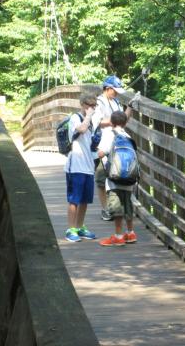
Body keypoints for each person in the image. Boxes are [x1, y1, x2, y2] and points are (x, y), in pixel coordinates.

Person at [92, 75, 134, 221]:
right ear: (107, 88)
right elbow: (97, 122)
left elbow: (122, 122)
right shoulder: (99, 102)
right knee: (101, 179)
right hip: (103, 145)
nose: (116, 93)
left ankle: (116, 207)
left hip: (117, 145)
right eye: (114, 90)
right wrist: (114, 120)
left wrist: (130, 108)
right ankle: (106, 209)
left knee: (117, 175)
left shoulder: (115, 101)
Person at [97, 111, 137, 246]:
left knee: (116, 206)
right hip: (129, 179)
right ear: (125, 123)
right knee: (128, 204)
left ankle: (118, 236)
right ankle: (130, 233)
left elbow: (101, 153)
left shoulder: (110, 134)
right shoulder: (128, 136)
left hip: (115, 179)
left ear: (111, 123)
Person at [64, 92, 98, 242]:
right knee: (74, 199)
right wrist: (89, 116)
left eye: (94, 105)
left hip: (88, 165)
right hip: (76, 165)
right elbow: (82, 129)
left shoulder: (92, 120)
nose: (91, 108)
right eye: (89, 105)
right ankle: (71, 229)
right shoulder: (75, 118)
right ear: (82, 105)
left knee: (85, 200)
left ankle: (79, 227)